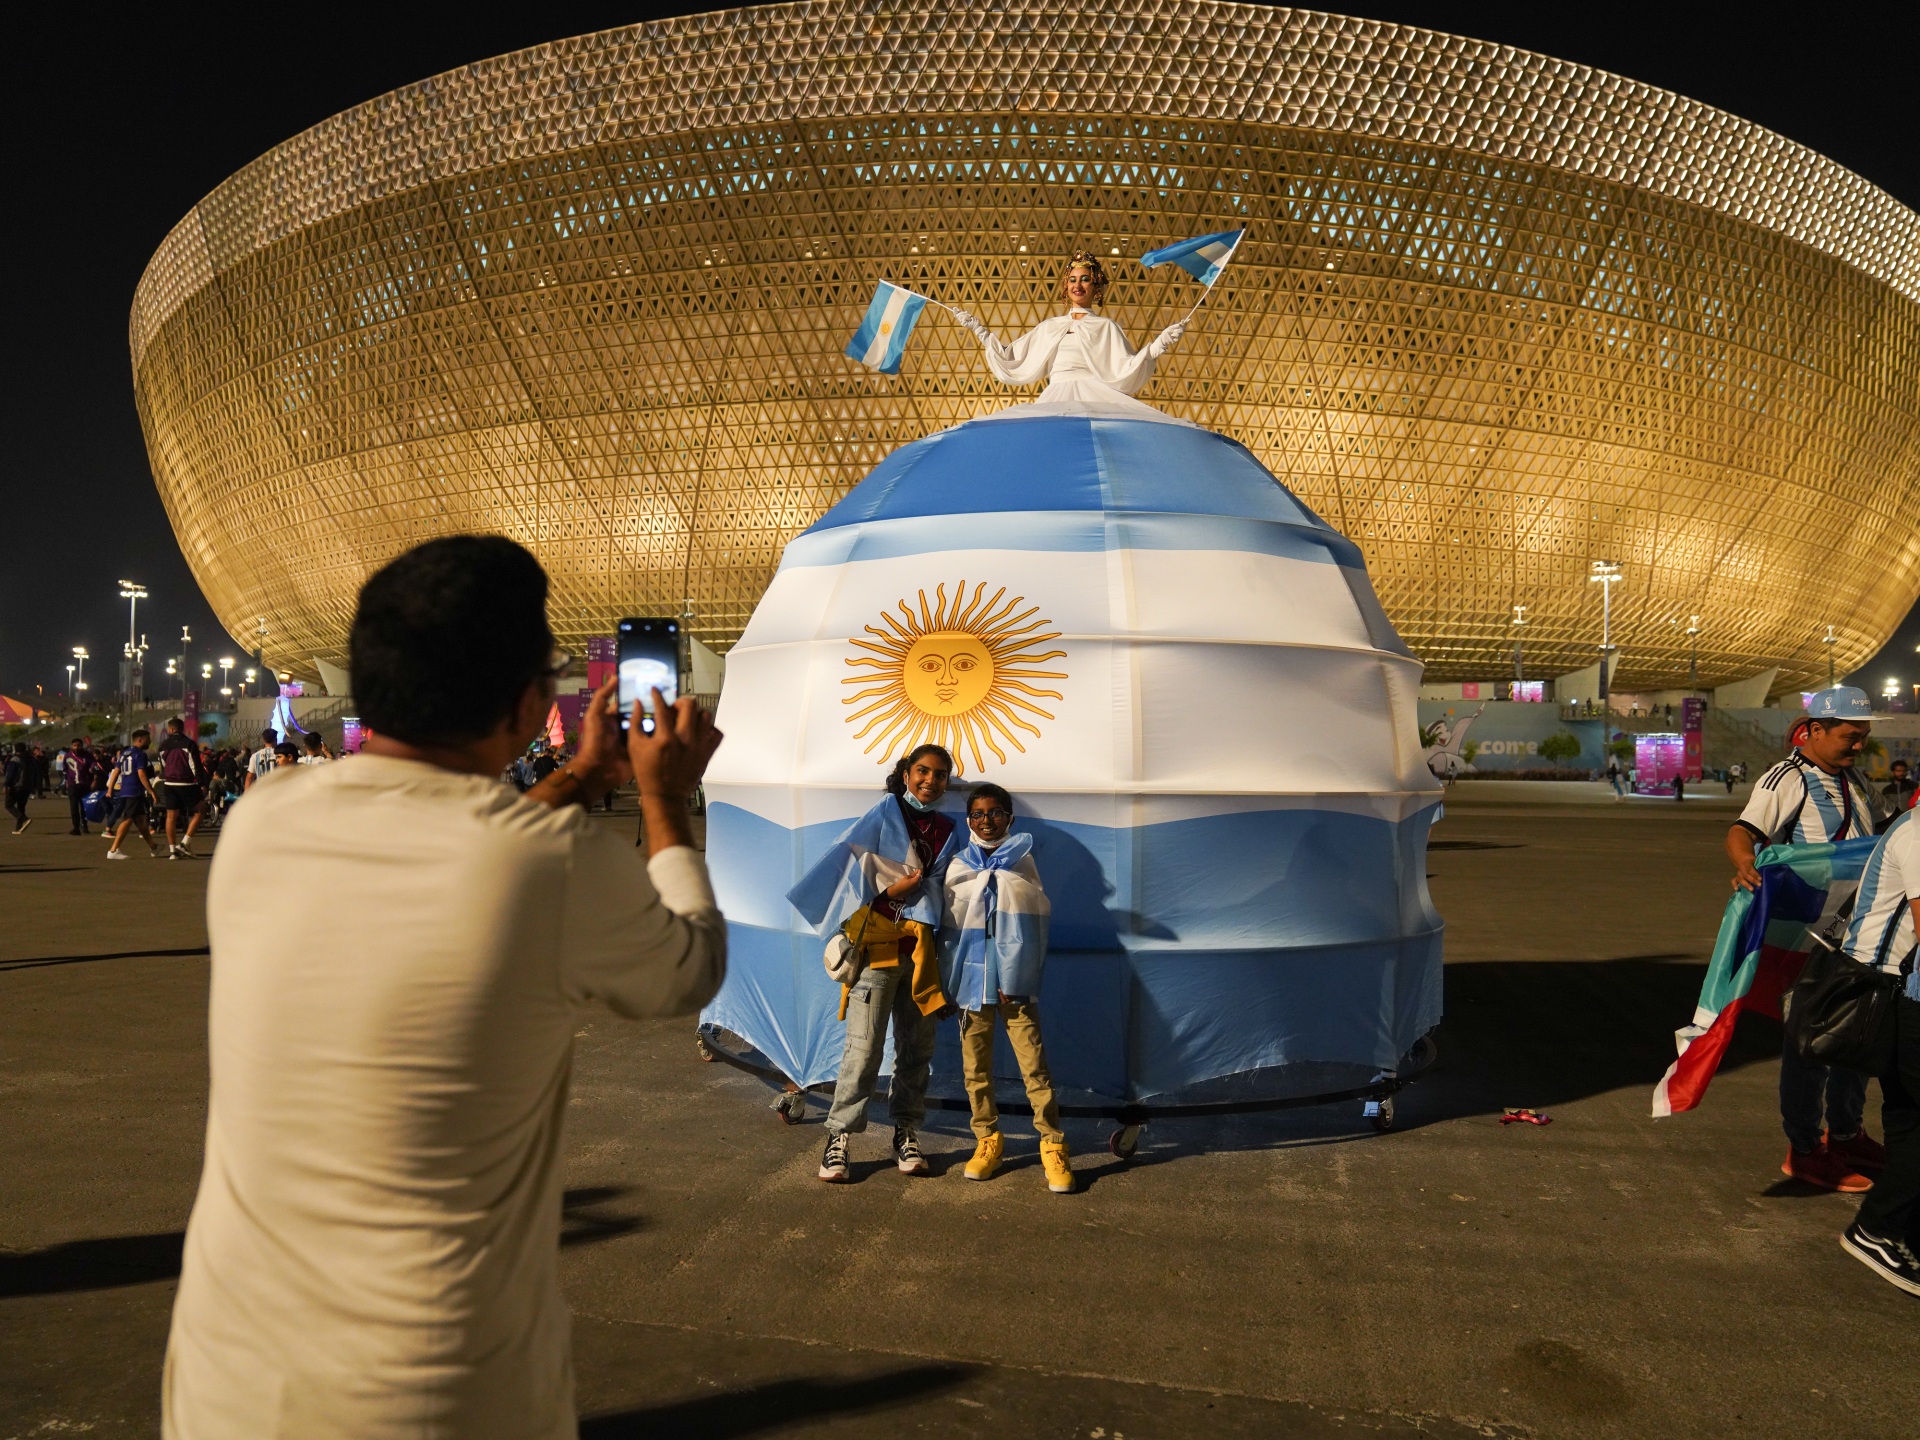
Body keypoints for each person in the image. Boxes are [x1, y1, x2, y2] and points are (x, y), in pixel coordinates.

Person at [162, 534, 726, 1440]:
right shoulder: (551, 865)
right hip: (428, 1395)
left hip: (230, 1375)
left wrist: (582, 776)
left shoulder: (263, 821)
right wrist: (665, 798)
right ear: (530, 699)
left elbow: (467, 855)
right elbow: (689, 964)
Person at [1727, 686, 1891, 1191]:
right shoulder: (1787, 777)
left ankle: (1846, 1135)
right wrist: (1744, 864)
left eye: (1862, 736)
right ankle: (1803, 1148)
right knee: (1812, 1043)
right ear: (1815, 730)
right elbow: (1743, 830)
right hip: (1811, 937)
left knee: (1857, 1036)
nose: (1858, 745)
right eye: (1849, 736)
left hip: (1859, 932)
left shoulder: (1855, 778)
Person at [790, 744, 962, 1184]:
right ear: (905, 774)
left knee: (917, 1053)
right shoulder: (882, 816)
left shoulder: (948, 828)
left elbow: (952, 898)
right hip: (878, 956)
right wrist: (890, 895)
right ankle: (839, 1138)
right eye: (922, 771)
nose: (930, 780)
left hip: (924, 959)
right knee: (864, 1052)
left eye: (940, 774)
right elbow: (848, 878)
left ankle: (906, 1132)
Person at [942, 783, 1072, 1193]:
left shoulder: (1022, 862)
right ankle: (987, 1139)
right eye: (978, 814)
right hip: (972, 986)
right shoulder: (959, 864)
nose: (987, 821)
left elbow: (1032, 919)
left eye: (996, 813)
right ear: (969, 820)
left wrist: (1011, 977)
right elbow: (952, 925)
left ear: (1010, 818)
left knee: (1034, 1066)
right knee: (975, 1069)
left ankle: (1052, 1143)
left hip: (1015, 986)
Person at [1834, 804, 1920, 1294]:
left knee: (1909, 1118)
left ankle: (1898, 1230)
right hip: (1891, 994)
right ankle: (1880, 1228)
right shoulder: (1919, 834)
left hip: (1898, 996)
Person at [948, 253, 1185, 416]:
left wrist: (1158, 345)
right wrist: (978, 330)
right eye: (1072, 280)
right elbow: (1012, 358)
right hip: (1056, 395)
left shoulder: (1106, 327)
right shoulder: (1050, 327)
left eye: (1085, 280)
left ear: (1096, 286)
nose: (1077, 286)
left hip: (1095, 396)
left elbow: (1127, 369)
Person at [105, 729, 162, 859]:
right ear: (140, 740)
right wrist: (152, 791)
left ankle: (153, 847)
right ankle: (113, 850)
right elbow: (141, 774)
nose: (150, 741)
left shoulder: (124, 753)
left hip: (126, 790)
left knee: (141, 820)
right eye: (148, 739)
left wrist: (110, 789)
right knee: (128, 819)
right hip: (134, 791)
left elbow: (116, 772)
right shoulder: (140, 755)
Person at [155, 717, 207, 859]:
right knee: (200, 810)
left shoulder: (162, 745)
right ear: (182, 728)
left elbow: (163, 767)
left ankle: (173, 851)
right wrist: (202, 784)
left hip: (169, 784)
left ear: (170, 729)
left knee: (171, 816)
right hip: (186, 783)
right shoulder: (189, 744)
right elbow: (195, 765)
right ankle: (185, 843)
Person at [63, 737, 97, 834]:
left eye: (79, 745)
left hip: (85, 784)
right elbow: (65, 770)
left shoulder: (88, 756)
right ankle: (75, 827)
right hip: (72, 784)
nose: (77, 747)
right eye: (74, 745)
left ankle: (84, 825)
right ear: (71, 746)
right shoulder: (67, 756)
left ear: (82, 746)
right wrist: (66, 783)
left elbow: (94, 767)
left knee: (84, 807)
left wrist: (94, 780)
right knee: (73, 807)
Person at [4, 744, 30, 833]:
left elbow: (11, 774)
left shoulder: (15, 759)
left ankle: (23, 818)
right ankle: (19, 828)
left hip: (16, 786)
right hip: (27, 786)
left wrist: (6, 785)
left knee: (8, 805)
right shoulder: (31, 759)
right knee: (21, 806)